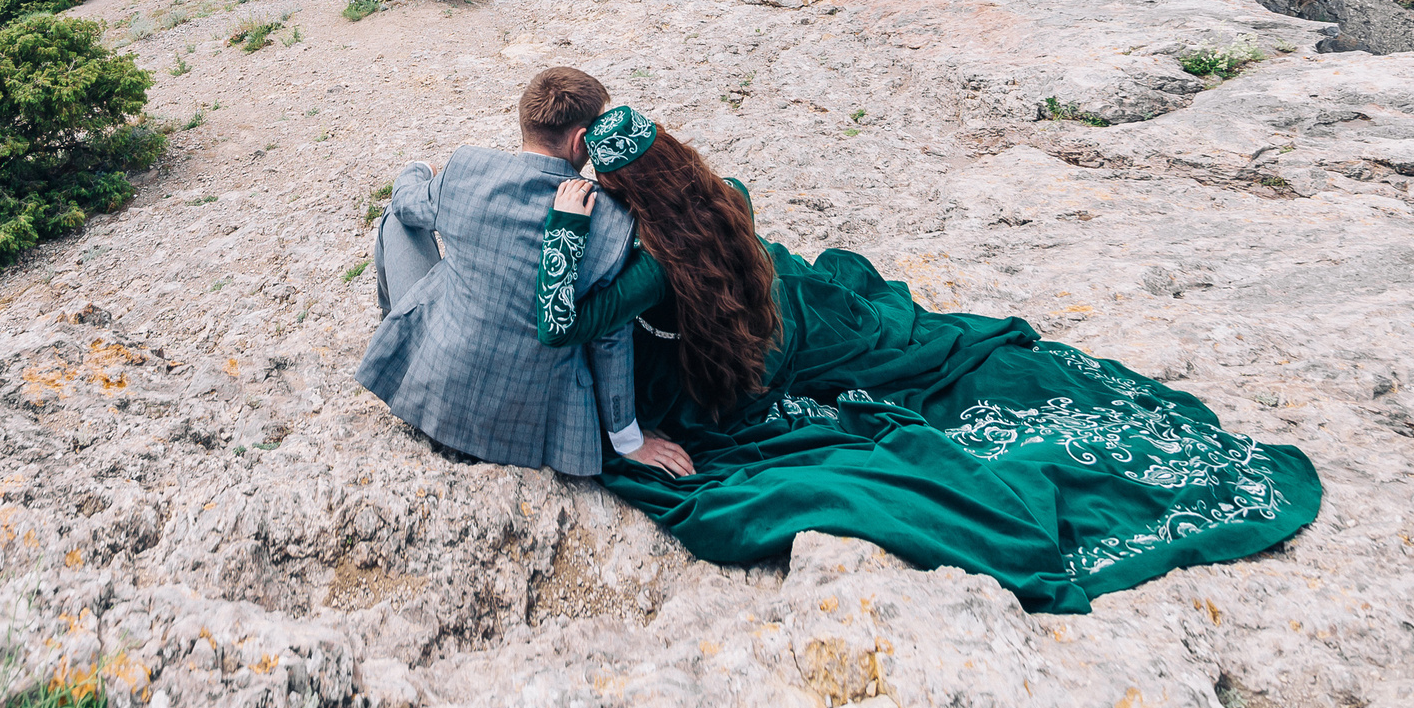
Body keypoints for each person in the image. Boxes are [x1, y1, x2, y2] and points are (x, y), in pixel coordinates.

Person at [534, 106, 1322, 615]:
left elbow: (560, 324)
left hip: (741, 375)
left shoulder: (651, 270)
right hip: (786, 325)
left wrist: (569, 227)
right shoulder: (728, 192)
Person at [356, 68, 692, 478]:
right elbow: (610, 340)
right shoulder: (613, 220)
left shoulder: (468, 167)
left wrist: (417, 169)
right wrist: (629, 440)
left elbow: (406, 204)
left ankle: (395, 339)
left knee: (398, 221)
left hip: (431, 394)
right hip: (524, 430)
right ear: (581, 141)